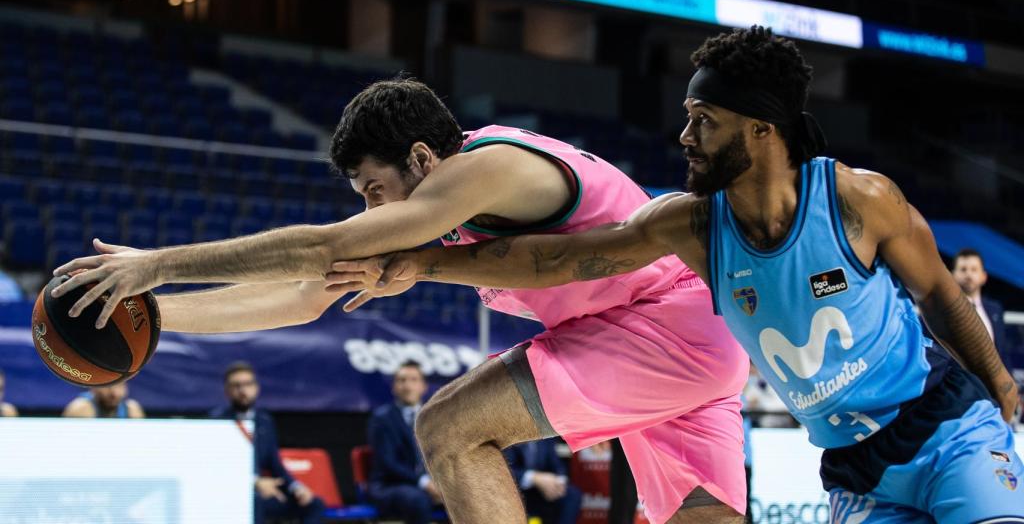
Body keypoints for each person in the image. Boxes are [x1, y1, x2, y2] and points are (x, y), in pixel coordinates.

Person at [332, 27, 1024, 522]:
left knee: (450, 425)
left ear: (760, 130)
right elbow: (555, 259)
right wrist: (429, 261)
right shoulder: (686, 223)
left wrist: (998, 382)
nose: (685, 138)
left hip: (939, 422)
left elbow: (938, 290)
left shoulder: (857, 199)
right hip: (854, 462)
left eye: (704, 121)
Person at [51, 77, 749, 523]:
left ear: (420, 159)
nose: (368, 210)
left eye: (372, 190)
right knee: (701, 518)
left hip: (659, 329)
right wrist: (158, 317)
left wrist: (157, 266)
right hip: (692, 340)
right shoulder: (445, 207)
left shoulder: (491, 167)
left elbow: (322, 248)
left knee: (448, 427)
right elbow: (302, 295)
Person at [210, 361, 324, 524]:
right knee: (254, 502)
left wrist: (296, 487)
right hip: (231, 495)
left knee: (314, 504)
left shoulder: (265, 421)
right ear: (227, 391)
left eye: (248, 384)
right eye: (236, 385)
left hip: (264, 494)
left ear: (257, 388)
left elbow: (275, 464)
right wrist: (254, 483)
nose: (243, 391)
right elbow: (216, 468)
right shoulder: (217, 421)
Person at [367, 361, 443, 524]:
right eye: (402, 380)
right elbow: (388, 463)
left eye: (414, 380)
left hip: (429, 486)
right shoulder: (382, 419)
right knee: (418, 500)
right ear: (393, 387)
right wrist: (425, 483)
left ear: (423, 386)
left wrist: (441, 484)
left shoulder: (434, 418)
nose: (407, 386)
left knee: (464, 497)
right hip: (391, 486)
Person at [951, 248, 1012, 369]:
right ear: (952, 275)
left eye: (974, 269)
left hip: (991, 385)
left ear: (984, 276)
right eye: (963, 269)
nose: (968, 275)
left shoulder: (995, 309)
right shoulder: (942, 309)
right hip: (959, 383)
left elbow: (1002, 353)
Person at [505, 438, 582, 524]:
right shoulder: (509, 440)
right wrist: (535, 478)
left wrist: (557, 482)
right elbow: (506, 471)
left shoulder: (545, 439)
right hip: (518, 490)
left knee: (572, 494)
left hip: (543, 492)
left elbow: (558, 466)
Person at [62, 381, 144, 418]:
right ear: (93, 387)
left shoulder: (132, 410)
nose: (114, 393)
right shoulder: (81, 409)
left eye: (120, 386)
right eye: (108, 386)